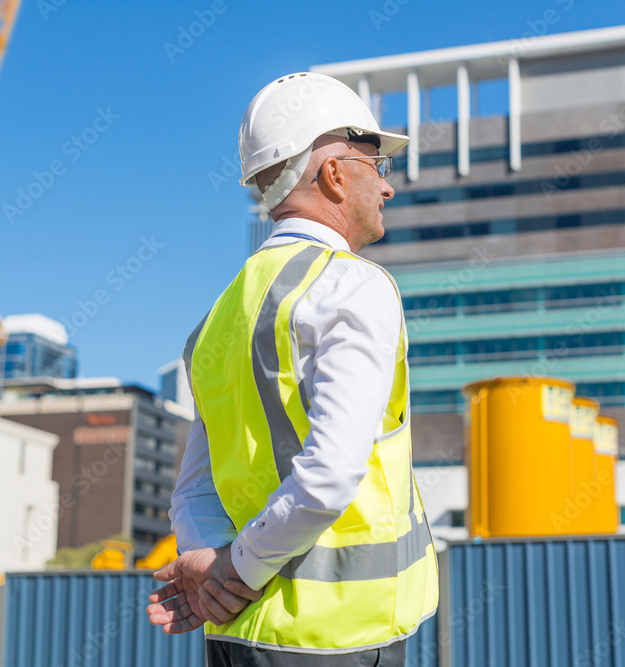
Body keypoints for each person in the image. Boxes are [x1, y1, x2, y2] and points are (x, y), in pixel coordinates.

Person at [147, 72, 439, 666]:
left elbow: (193, 490)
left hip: (235, 637)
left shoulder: (215, 321)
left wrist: (211, 572)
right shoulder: (352, 285)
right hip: (337, 640)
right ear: (333, 174)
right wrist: (234, 569)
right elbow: (331, 473)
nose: (386, 187)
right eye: (376, 163)